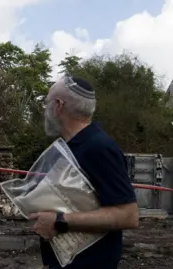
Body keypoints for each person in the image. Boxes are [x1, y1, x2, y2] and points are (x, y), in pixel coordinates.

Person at [30, 76, 139, 269]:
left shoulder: (99, 147)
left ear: (58, 105)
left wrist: (60, 221)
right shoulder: (70, 147)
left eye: (47, 103)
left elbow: (128, 215)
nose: (45, 111)